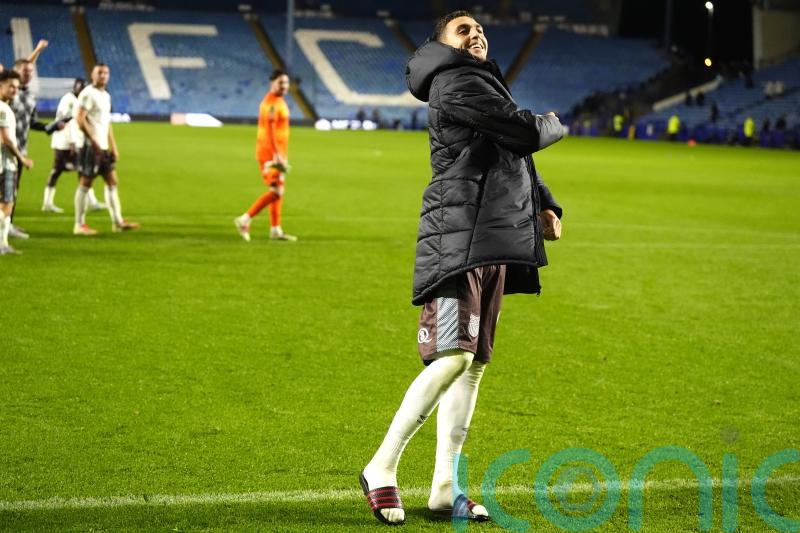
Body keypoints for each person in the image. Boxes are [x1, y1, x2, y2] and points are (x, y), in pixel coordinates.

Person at [359, 10, 564, 526]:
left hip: (490, 236)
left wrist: (544, 203)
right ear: (443, 45)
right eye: (462, 29)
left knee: (472, 366)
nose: (475, 34)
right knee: (451, 358)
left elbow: (512, 155)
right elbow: (523, 134)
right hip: (458, 239)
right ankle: (380, 467)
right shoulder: (454, 81)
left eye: (478, 28)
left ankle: (444, 488)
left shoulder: (481, 82)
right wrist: (553, 122)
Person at [72, 63, 139, 235]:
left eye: (106, 73)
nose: (103, 76)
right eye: (100, 73)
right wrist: (92, 138)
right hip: (90, 147)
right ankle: (79, 225)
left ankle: (117, 222)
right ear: (92, 75)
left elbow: (107, 123)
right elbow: (80, 118)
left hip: (103, 147)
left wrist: (113, 146)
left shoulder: (106, 95)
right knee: (85, 184)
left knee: (112, 182)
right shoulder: (88, 93)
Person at [234, 70, 296, 242]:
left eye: (286, 83)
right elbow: (270, 132)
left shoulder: (279, 101)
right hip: (270, 154)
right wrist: (276, 156)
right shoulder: (271, 104)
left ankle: (276, 229)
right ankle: (244, 219)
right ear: (272, 83)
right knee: (277, 191)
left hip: (277, 153)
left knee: (277, 191)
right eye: (280, 82)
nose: (284, 86)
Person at [10, 40, 63, 239]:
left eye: (30, 71)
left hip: (20, 150)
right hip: (3, 149)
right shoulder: (6, 91)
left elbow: (33, 122)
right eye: (24, 71)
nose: (28, 74)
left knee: (12, 190)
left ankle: (8, 225)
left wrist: (53, 126)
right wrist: (38, 50)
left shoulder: (30, 96)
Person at [42, 78, 106, 213]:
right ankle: (47, 202)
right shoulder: (69, 99)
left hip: (72, 141)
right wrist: (72, 141)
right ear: (75, 87)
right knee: (58, 171)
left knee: (81, 170)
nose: (81, 90)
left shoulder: (76, 100)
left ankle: (92, 201)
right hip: (64, 143)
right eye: (80, 87)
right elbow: (66, 121)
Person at [0, 70, 34, 255]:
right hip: (5, 163)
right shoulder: (3, 109)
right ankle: (2, 245)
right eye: (10, 86)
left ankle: (3, 244)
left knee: (5, 204)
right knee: (6, 204)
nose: (14, 90)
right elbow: (5, 139)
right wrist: (22, 159)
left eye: (16, 87)